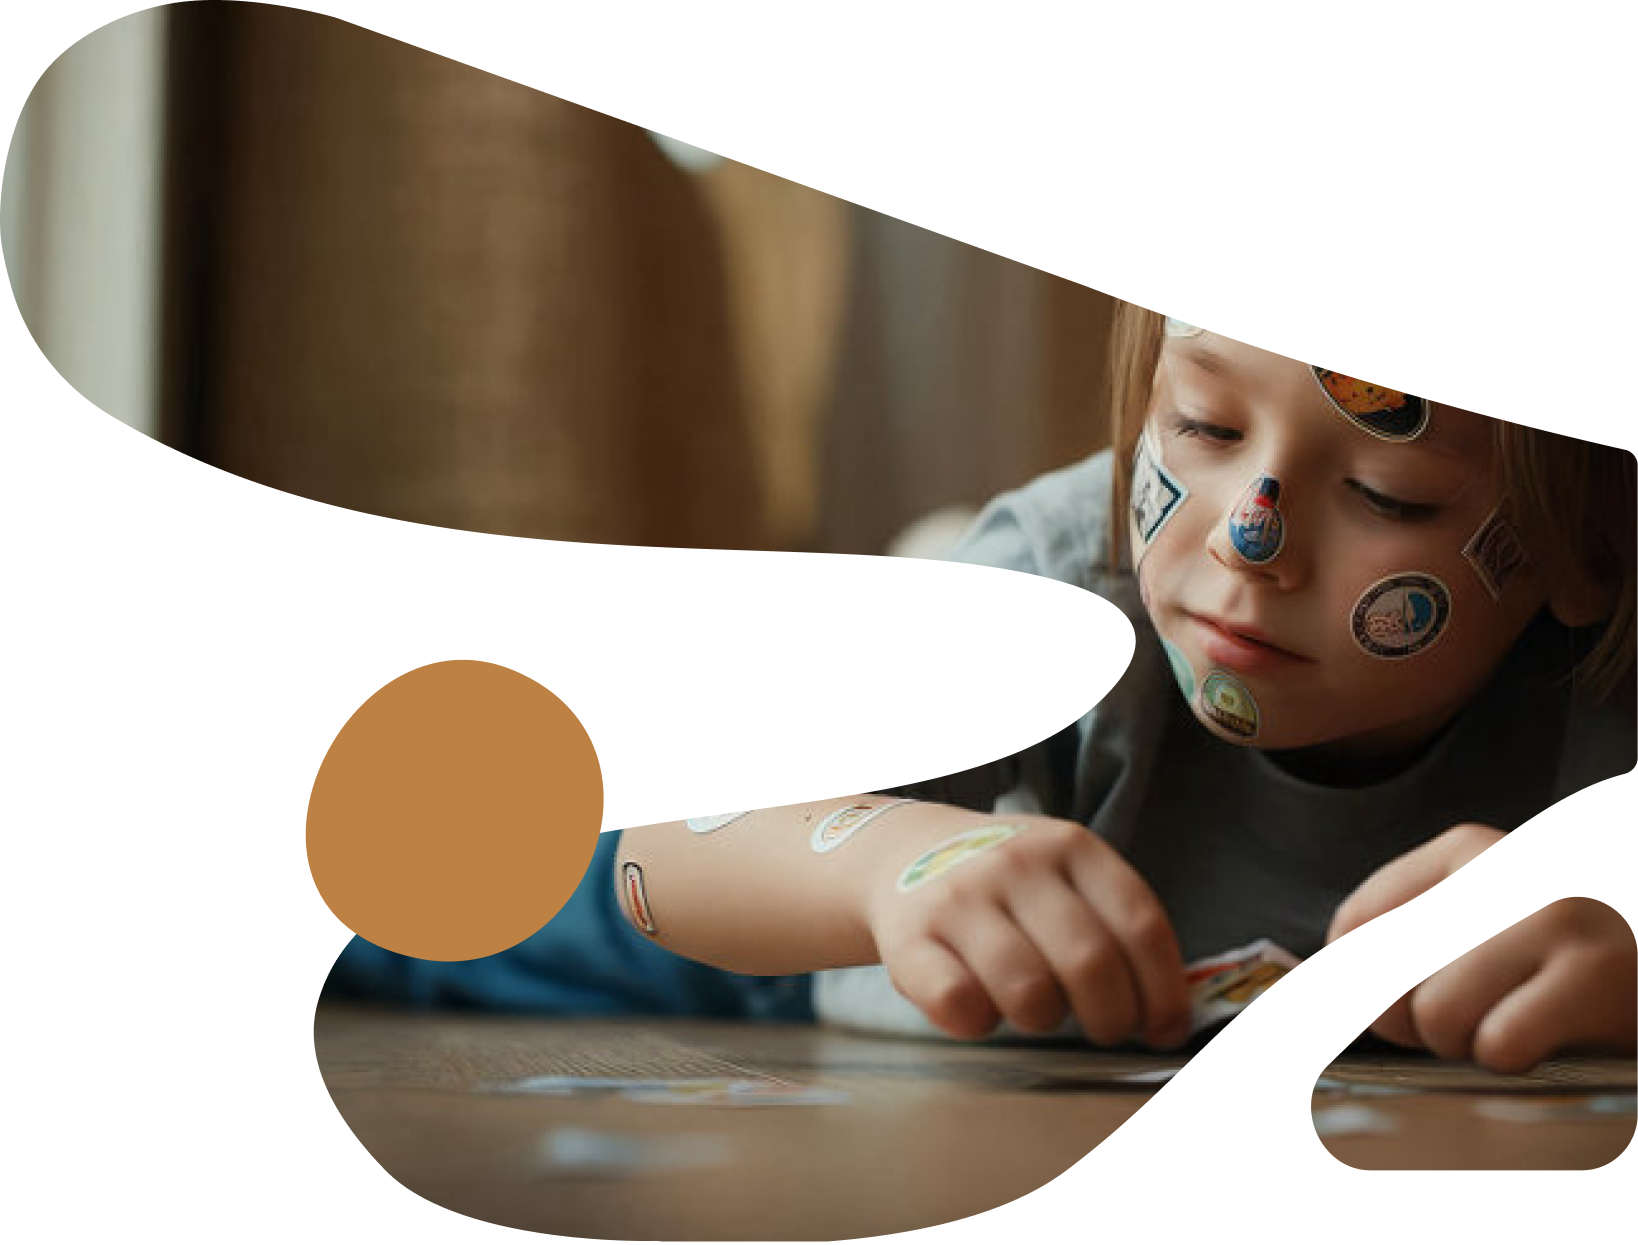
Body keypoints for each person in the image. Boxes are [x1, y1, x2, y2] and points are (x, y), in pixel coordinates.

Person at [323, 303, 1637, 1073]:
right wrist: (885, 864)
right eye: (1202, 426)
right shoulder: (1068, 572)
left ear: (1582, 546)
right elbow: (659, 862)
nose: (1250, 539)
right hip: (823, 930)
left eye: (1388, 494)